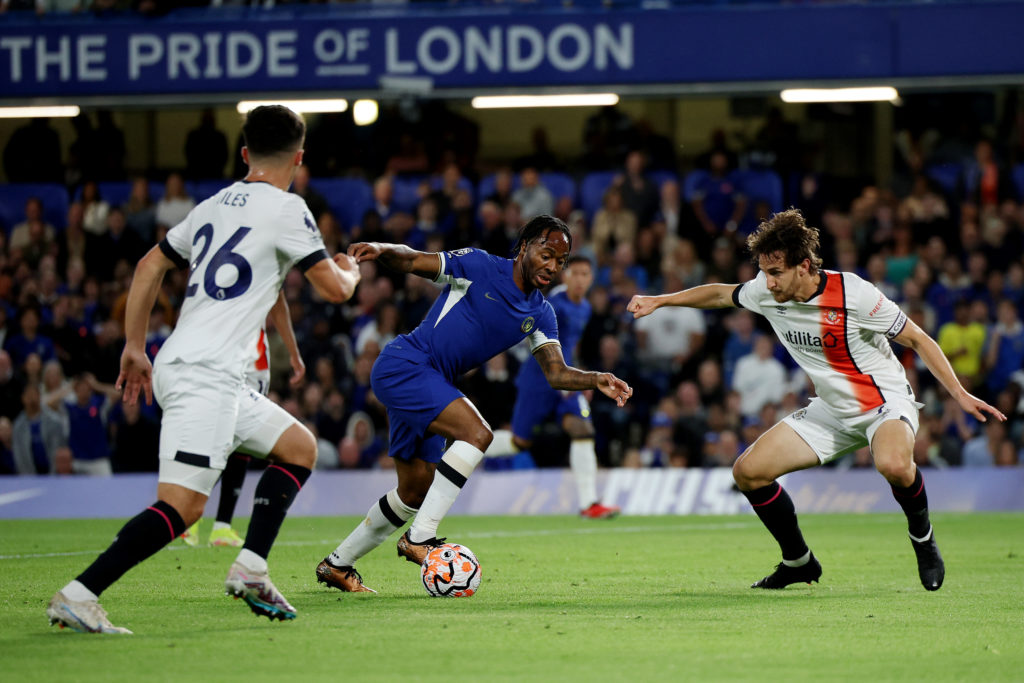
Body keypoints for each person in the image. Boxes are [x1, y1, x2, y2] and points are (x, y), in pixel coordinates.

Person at [46, 104, 361, 634]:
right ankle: (79, 594)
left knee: (298, 448)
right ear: (299, 158)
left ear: (244, 154)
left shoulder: (212, 205)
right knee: (182, 507)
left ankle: (252, 568)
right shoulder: (288, 209)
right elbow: (333, 289)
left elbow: (151, 265)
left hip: (204, 368)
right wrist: (350, 269)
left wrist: (133, 345)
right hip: (204, 374)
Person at [627, 208, 1005, 592]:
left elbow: (918, 339)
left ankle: (923, 540)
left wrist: (958, 393)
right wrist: (661, 300)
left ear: (804, 266)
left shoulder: (854, 294)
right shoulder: (765, 290)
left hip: (884, 403)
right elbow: (721, 294)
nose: (767, 283)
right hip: (830, 411)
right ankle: (798, 562)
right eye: (764, 272)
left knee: (893, 465)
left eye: (776, 273)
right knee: (748, 472)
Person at [316, 216, 633, 593]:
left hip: (430, 382)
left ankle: (337, 565)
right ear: (524, 247)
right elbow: (415, 260)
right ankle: (421, 538)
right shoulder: (481, 265)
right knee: (477, 434)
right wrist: (384, 250)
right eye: (547, 254)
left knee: (414, 492)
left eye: (560, 262)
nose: (552, 266)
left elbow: (556, 373)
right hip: (407, 364)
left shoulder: (541, 313)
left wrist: (595, 379)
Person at [486, 256, 621, 518]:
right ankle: (463, 445)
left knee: (583, 429)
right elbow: (533, 337)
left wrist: (580, 378)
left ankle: (589, 504)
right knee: (519, 442)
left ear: (592, 279)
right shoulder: (553, 305)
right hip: (538, 379)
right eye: (576, 273)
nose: (581, 279)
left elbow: (570, 346)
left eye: (586, 274)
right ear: (565, 275)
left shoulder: (585, 308)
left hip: (566, 382)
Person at [180, 292, 305, 548]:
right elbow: (279, 301)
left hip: (242, 357)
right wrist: (293, 352)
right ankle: (189, 516)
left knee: (237, 443)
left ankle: (219, 525)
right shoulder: (260, 264)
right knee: (229, 441)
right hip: (242, 362)